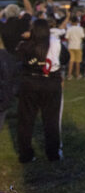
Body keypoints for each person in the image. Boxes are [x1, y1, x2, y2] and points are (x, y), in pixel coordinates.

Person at [16, 19, 64, 163]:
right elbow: (65, 57)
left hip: (30, 82)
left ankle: (25, 154)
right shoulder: (55, 42)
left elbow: (19, 60)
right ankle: (52, 153)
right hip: (51, 82)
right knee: (51, 120)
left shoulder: (25, 45)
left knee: (26, 120)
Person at [65, 15, 85, 80]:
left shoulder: (69, 29)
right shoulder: (80, 28)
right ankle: (77, 74)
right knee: (78, 61)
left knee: (71, 61)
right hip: (78, 46)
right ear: (77, 21)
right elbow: (83, 36)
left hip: (70, 46)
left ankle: (69, 75)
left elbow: (67, 38)